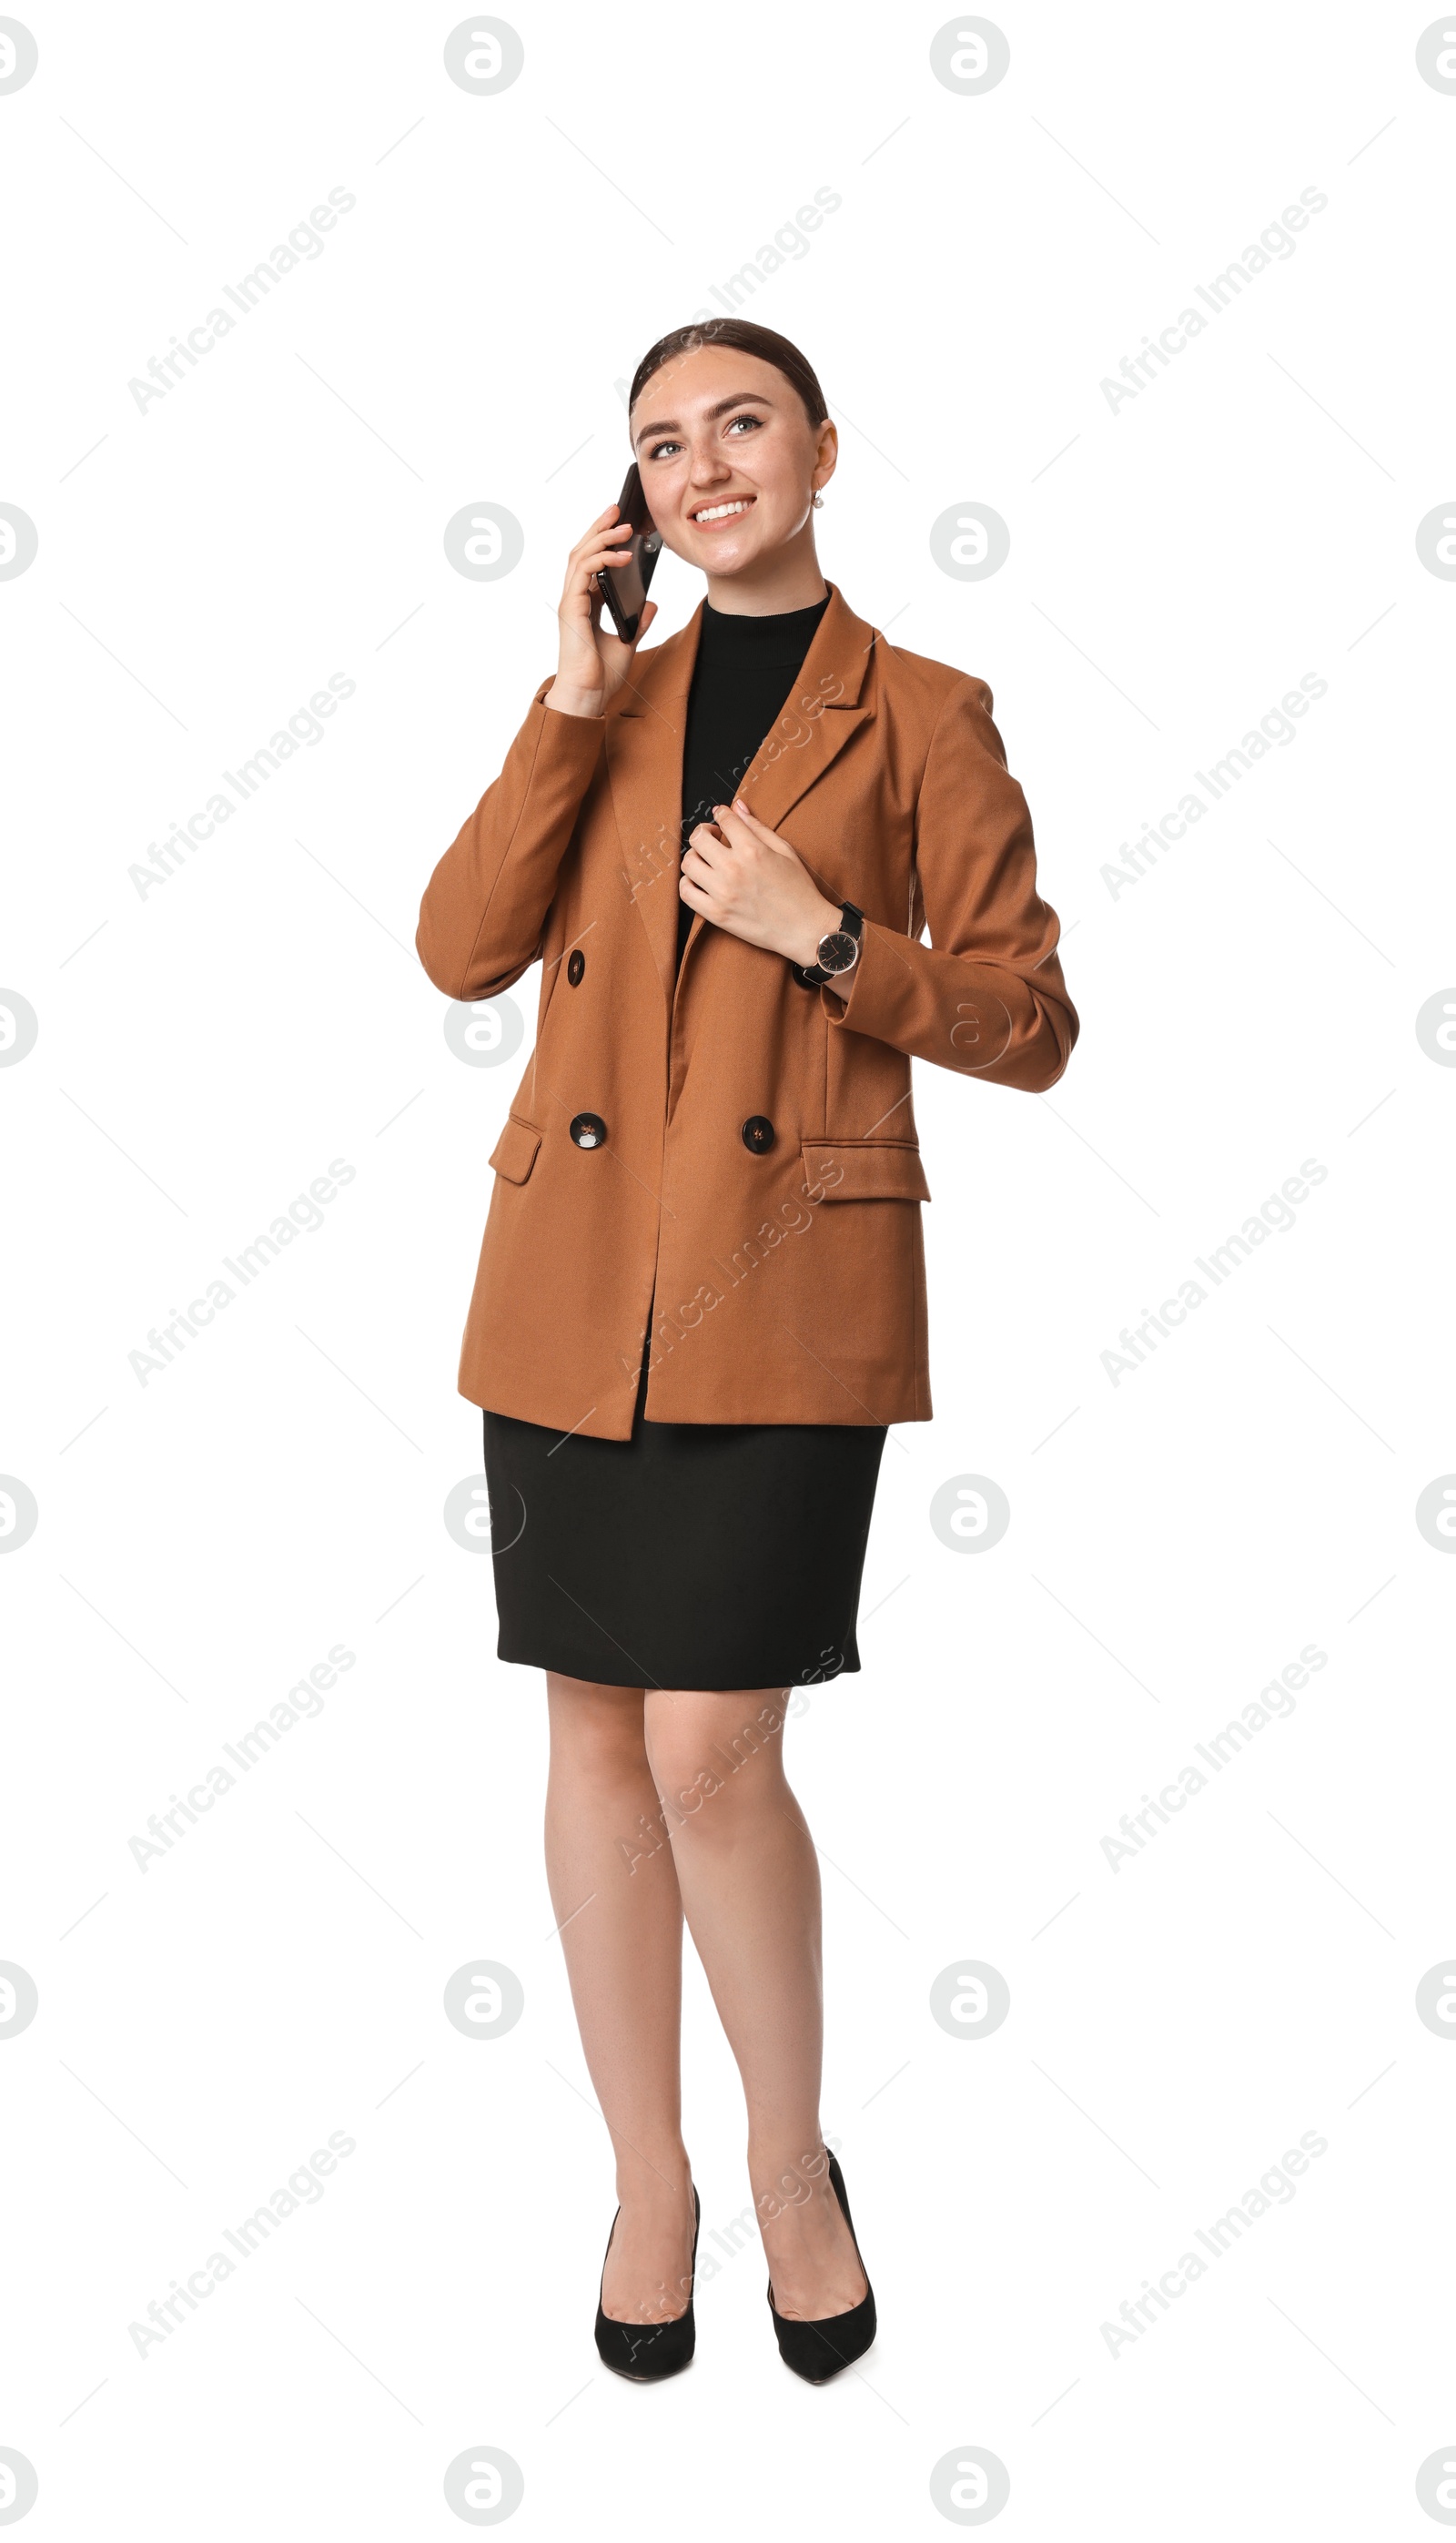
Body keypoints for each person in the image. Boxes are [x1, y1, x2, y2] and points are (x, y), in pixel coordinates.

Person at [416, 317, 1078, 2383]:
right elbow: (455, 945)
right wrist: (562, 694)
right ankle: (647, 2181)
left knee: (713, 1749)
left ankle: (787, 2166)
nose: (703, 466)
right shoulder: (605, 703)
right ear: (632, 501)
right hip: (570, 1281)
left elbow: (1028, 1021)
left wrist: (822, 937)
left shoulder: (927, 716)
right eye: (659, 444)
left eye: (739, 426)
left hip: (780, 1289)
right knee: (596, 1750)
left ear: (816, 450)